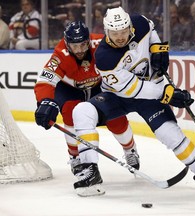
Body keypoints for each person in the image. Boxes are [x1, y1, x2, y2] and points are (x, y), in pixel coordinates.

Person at [72, 6, 195, 193]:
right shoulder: (104, 57)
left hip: (150, 94)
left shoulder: (140, 23)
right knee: (82, 111)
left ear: (130, 27)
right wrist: (167, 93)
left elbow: (152, 30)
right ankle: (90, 170)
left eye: (123, 31)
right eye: (114, 33)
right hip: (117, 96)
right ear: (107, 31)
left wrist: (158, 49)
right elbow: (134, 88)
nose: (120, 37)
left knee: (170, 134)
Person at [34, 21, 140, 197]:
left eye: (83, 44)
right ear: (67, 43)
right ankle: (75, 157)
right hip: (69, 89)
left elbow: (130, 51)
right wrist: (45, 101)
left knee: (115, 117)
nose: (80, 49)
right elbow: (45, 81)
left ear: (89, 40)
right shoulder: (60, 55)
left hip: (98, 86)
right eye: (75, 45)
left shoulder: (101, 43)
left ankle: (130, 150)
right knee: (69, 112)